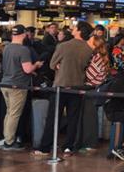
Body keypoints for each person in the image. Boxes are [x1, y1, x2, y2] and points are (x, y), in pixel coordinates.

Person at [33, 21, 93, 156]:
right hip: (78, 86)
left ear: (79, 31)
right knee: (73, 118)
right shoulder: (89, 49)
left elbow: (52, 64)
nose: (73, 28)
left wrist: (60, 66)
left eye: (75, 27)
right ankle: (68, 146)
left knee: (53, 118)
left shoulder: (64, 46)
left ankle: (45, 147)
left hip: (61, 85)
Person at [0, 25, 43, 150]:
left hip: (5, 83)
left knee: (9, 112)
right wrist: (36, 65)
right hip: (18, 85)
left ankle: (7, 137)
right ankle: (9, 142)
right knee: (14, 114)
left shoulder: (6, 48)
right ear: (24, 34)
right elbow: (27, 69)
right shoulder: (23, 50)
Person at [78, 36, 110, 152]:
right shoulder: (100, 57)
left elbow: (89, 75)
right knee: (90, 117)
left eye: (90, 42)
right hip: (95, 90)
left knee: (89, 118)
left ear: (95, 45)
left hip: (91, 90)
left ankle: (89, 144)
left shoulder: (96, 58)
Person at [105, 59, 124, 160]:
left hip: (121, 110)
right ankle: (119, 148)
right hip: (115, 111)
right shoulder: (121, 82)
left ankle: (120, 148)